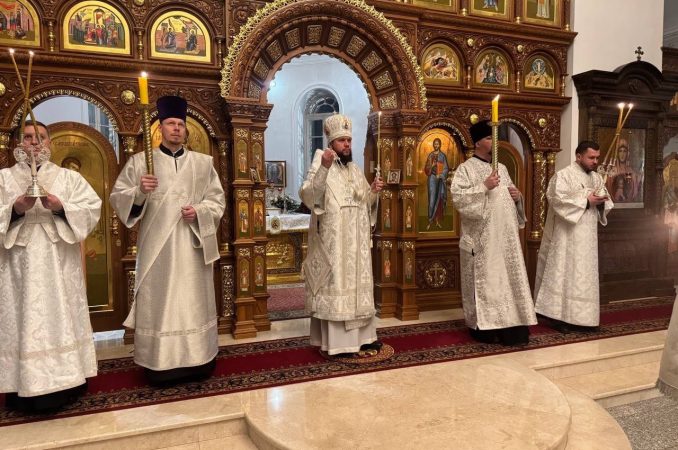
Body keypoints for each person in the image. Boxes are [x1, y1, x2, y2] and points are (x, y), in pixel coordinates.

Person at [110, 96, 225, 384]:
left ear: (186, 130)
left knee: (192, 301)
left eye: (180, 125)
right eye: (171, 124)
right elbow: (118, 198)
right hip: (157, 249)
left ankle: (199, 359)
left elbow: (217, 200)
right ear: (160, 128)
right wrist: (139, 192)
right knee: (161, 302)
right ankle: (159, 363)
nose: (176, 129)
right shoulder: (140, 162)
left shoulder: (202, 163)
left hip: (192, 245)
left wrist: (199, 211)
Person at [0, 121, 101, 411]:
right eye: (28, 137)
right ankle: (22, 385)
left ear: (50, 144)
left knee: (62, 316)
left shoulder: (68, 178)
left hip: (59, 263)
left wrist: (60, 207)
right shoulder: (4, 179)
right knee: (23, 319)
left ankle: (69, 379)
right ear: (19, 144)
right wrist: (15, 209)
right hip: (19, 266)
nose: (34, 142)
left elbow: (92, 208)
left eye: (41, 137)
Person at [299, 113, 384, 357]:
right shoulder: (320, 163)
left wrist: (373, 192)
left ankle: (364, 338)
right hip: (334, 242)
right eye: (341, 141)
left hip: (356, 242)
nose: (346, 145)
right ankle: (338, 343)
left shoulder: (355, 169)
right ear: (331, 143)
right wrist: (324, 168)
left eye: (349, 140)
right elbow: (308, 195)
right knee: (337, 286)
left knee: (358, 287)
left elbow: (364, 202)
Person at [450, 120, 537, 346]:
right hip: (482, 241)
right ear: (478, 142)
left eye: (496, 138)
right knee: (487, 283)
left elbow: (505, 199)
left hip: (505, 240)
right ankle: (485, 327)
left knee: (507, 282)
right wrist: (484, 186)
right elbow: (459, 199)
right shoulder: (466, 169)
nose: (494, 142)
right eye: (490, 138)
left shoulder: (503, 169)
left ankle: (511, 324)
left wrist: (517, 198)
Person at [534, 141, 613, 332]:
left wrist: (602, 202)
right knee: (565, 273)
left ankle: (584, 318)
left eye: (597, 158)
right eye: (591, 157)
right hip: (567, 237)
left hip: (588, 238)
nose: (595, 161)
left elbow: (607, 201)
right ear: (579, 156)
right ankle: (560, 318)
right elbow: (556, 200)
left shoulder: (596, 178)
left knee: (584, 276)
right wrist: (586, 201)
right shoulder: (563, 176)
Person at [605, 138, 642, 203]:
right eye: (620, 151)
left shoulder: (632, 172)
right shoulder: (611, 172)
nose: (622, 154)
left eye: (624, 151)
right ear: (617, 153)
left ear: (627, 153)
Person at [423, 137, 449, 230]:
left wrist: (441, 175)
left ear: (440, 145)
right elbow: (426, 169)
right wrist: (432, 166)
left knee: (439, 199)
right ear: (433, 145)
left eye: (437, 144)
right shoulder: (430, 155)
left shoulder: (442, 156)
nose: (436, 145)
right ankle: (430, 220)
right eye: (435, 144)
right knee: (432, 200)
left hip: (440, 179)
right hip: (432, 179)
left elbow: (446, 168)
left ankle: (437, 221)